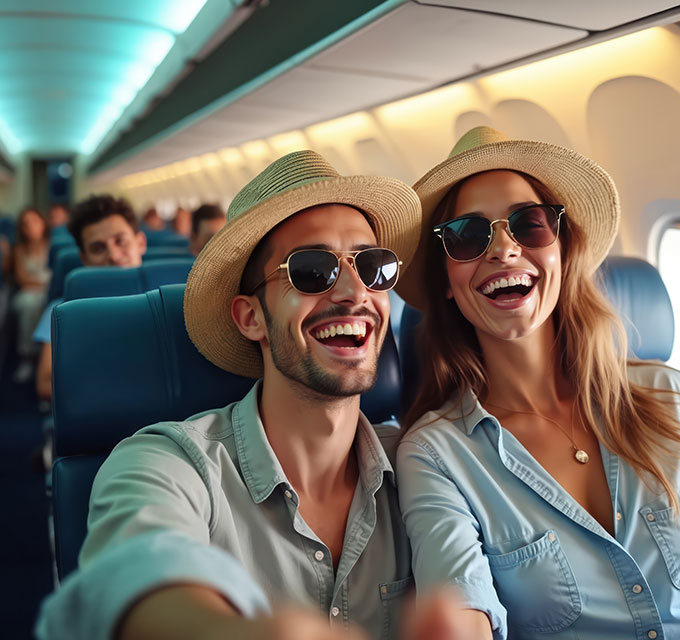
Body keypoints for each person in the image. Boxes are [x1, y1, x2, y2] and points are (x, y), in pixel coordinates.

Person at [35, 150, 463, 640]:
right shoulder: (166, 463)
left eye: (372, 266)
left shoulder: (424, 465)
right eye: (311, 270)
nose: (353, 292)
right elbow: (135, 575)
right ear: (250, 317)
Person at [394, 127, 680, 640]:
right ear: (447, 283)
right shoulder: (437, 454)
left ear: (563, 250)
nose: (503, 249)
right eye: (469, 236)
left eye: (528, 224)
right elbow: (466, 616)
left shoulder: (672, 399)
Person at [34, 194, 147, 401]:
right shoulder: (61, 311)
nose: (113, 255)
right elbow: (44, 383)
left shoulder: (172, 306)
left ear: (140, 243)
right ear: (84, 259)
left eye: (120, 241)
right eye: (98, 248)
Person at [10, 207, 50, 382]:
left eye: (34, 221)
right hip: (28, 292)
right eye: (26, 224)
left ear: (42, 223)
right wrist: (43, 284)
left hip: (46, 292)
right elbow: (22, 279)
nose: (30, 227)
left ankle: (45, 360)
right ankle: (27, 356)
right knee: (28, 303)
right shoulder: (19, 249)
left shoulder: (52, 245)